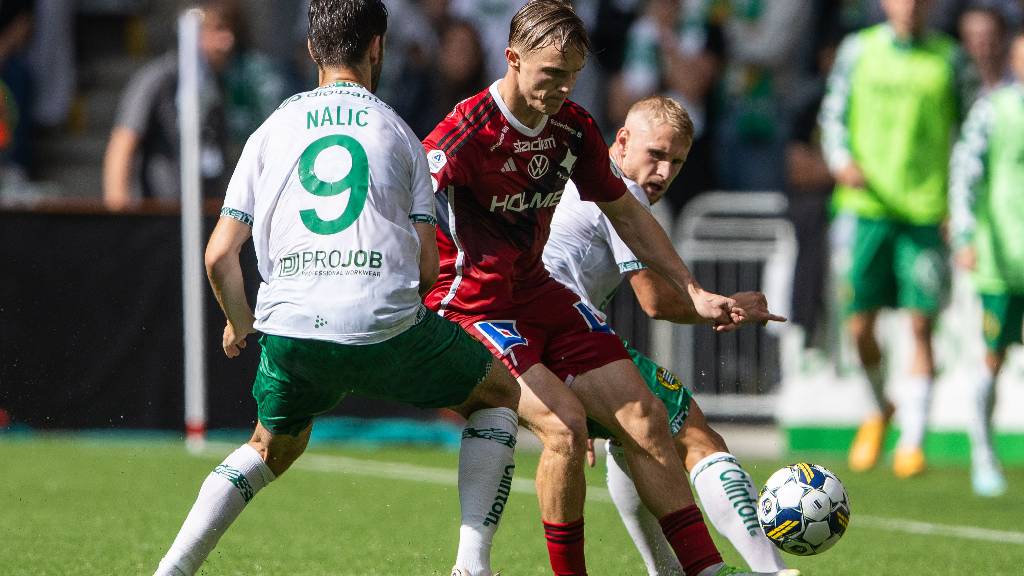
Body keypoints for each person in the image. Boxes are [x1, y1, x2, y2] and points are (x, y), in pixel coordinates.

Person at [153, 1, 524, 573]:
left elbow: (220, 254)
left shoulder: (270, 129)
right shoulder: (400, 133)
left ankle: (171, 568)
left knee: (269, 446)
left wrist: (237, 319)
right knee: (497, 395)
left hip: (291, 330)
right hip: (384, 326)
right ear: (378, 47)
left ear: (310, 50)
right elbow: (427, 269)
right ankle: (472, 567)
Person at [423, 2, 794, 575]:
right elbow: (406, 208)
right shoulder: (466, 132)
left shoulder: (572, 126)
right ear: (513, 59)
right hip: (474, 301)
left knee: (644, 416)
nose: (562, 87)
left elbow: (627, 212)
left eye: (572, 74)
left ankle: (704, 569)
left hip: (539, 293)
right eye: (551, 74)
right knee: (569, 426)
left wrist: (693, 289)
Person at [543, 95, 791, 574]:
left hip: (536, 333)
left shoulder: (577, 177)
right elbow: (654, 301)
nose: (663, 171)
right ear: (622, 141)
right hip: (563, 331)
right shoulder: (618, 189)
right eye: (655, 154)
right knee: (694, 431)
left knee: (632, 436)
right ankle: (771, 571)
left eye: (676, 161)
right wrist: (725, 306)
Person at [819, 0, 973, 478]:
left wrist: (958, 205)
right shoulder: (858, 51)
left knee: (921, 325)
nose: (910, 6)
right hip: (865, 211)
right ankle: (879, 407)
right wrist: (840, 158)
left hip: (925, 212)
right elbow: (833, 115)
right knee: (859, 326)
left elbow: (968, 134)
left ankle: (913, 442)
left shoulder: (950, 59)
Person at [949, 30, 1024, 498]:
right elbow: (965, 172)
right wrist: (963, 231)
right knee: (992, 359)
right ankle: (983, 451)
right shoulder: (993, 111)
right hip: (1003, 260)